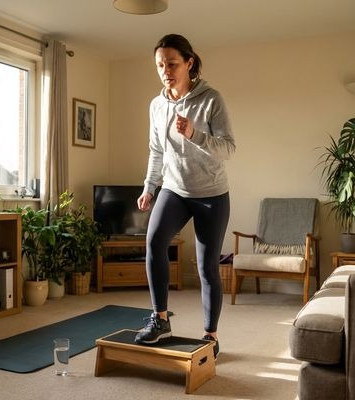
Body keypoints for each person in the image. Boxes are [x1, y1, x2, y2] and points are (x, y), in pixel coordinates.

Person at [134, 34, 236, 360]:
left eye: (172, 63)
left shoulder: (211, 99)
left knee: (207, 267)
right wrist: (150, 187)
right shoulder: (157, 105)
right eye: (160, 65)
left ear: (189, 63)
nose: (166, 70)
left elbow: (228, 148)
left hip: (211, 194)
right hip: (175, 189)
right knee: (153, 241)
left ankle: (211, 335)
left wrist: (194, 134)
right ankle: (160, 319)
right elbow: (156, 151)